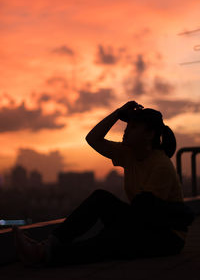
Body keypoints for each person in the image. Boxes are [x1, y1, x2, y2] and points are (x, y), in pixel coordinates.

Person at [12, 101, 194, 267]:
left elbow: (148, 214)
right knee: (101, 199)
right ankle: (50, 244)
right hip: (143, 223)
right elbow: (93, 139)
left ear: (149, 134)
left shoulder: (160, 164)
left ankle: (45, 255)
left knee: (110, 240)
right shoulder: (129, 154)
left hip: (166, 236)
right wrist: (117, 113)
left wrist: (114, 231)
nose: (126, 131)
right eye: (127, 126)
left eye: (134, 127)